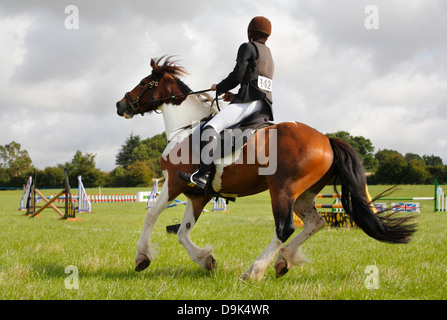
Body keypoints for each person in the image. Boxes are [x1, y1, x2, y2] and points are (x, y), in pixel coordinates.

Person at [178, 16, 274, 190]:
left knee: (210, 127)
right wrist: (235, 96)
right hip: (263, 105)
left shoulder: (247, 47)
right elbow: (255, 82)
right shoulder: (269, 54)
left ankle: (203, 175)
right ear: (267, 37)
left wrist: (219, 87)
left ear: (249, 32)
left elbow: (237, 75)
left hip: (249, 102)